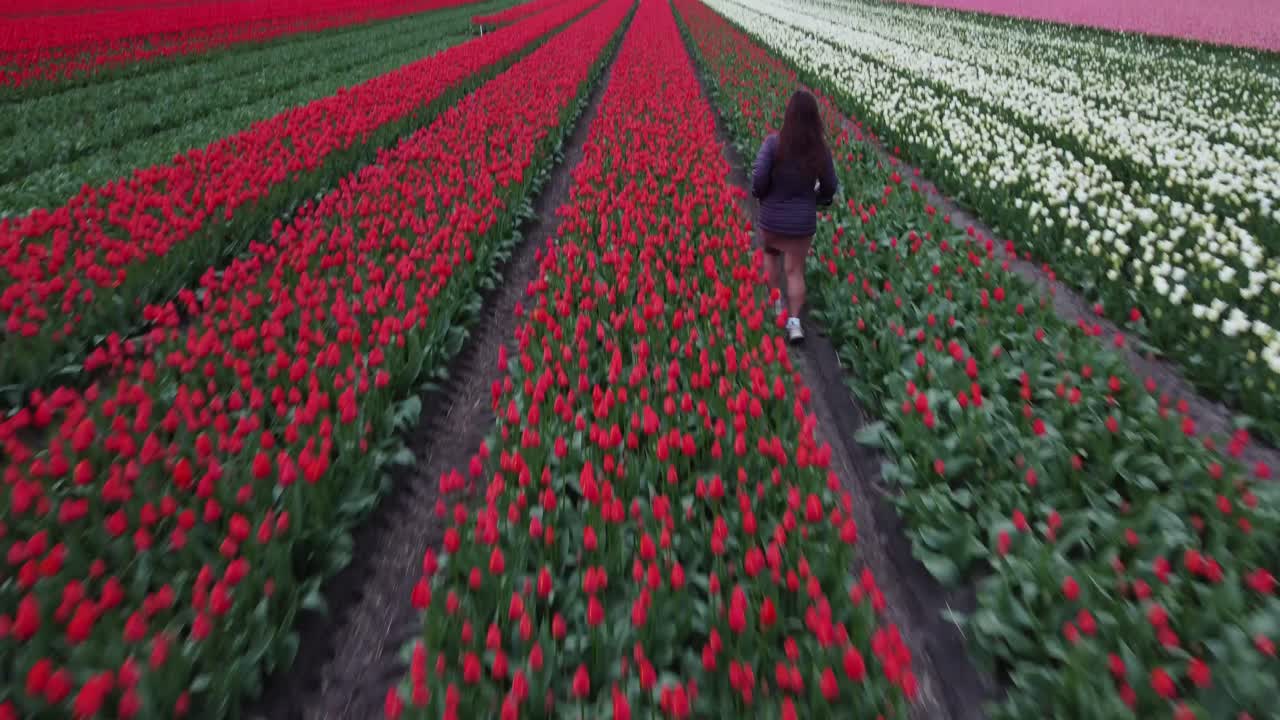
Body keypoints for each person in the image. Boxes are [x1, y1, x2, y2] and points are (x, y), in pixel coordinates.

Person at [751, 90, 838, 344]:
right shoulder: (820, 151)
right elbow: (831, 185)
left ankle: (776, 305)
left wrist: (761, 193)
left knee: (770, 255)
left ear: (788, 116)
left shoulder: (773, 143)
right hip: (801, 221)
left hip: (773, 217)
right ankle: (795, 324)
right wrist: (818, 199)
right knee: (795, 270)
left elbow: (759, 176)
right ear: (815, 120)